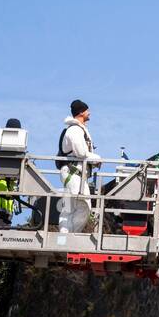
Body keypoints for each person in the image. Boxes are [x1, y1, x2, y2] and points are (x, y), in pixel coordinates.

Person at [57, 100, 101, 234]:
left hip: (74, 174)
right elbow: (81, 152)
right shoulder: (75, 130)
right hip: (73, 174)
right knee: (84, 206)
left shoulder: (76, 129)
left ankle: (63, 239)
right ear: (81, 112)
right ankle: (69, 237)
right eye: (87, 110)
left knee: (69, 209)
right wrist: (97, 159)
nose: (89, 113)